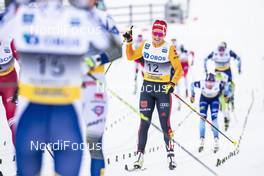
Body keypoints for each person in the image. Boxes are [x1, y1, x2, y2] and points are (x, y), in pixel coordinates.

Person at [0, 0, 114, 175]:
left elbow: (114, 47)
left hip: (44, 109)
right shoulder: (77, 17)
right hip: (60, 111)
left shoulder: (22, 17)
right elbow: (112, 45)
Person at [123, 20, 183, 170]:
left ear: (164, 34)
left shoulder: (169, 48)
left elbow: (179, 69)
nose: (157, 36)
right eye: (155, 33)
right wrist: (129, 43)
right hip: (147, 90)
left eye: (160, 34)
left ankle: (171, 155)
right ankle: (139, 156)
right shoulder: (145, 45)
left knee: (165, 125)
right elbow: (130, 57)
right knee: (144, 124)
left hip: (163, 91)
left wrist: (172, 83)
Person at [81, 0, 122, 175]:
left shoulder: (104, 18)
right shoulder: (65, 17)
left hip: (95, 83)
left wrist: (94, 60)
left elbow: (118, 50)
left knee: (94, 141)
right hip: (69, 84)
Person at [190, 73, 230, 153]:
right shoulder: (201, 83)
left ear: (215, 82)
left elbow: (226, 86)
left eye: (211, 83)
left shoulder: (219, 84)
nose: (209, 85)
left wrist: (226, 95)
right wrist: (193, 95)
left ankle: (216, 139)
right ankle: (201, 139)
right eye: (207, 83)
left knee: (214, 118)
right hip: (203, 99)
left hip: (214, 100)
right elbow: (192, 85)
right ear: (205, 81)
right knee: (202, 118)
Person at [204, 41, 241, 110]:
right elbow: (205, 59)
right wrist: (205, 70)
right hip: (218, 71)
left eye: (223, 49)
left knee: (229, 84)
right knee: (218, 86)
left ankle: (231, 99)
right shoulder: (214, 53)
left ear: (225, 49)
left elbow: (238, 58)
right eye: (219, 49)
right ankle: (220, 102)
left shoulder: (229, 52)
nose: (221, 52)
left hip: (227, 71)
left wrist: (239, 68)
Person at [0, 39, 18, 144]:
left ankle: (22, 154)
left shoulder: (10, 37)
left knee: (14, 120)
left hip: (9, 81)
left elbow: (25, 64)